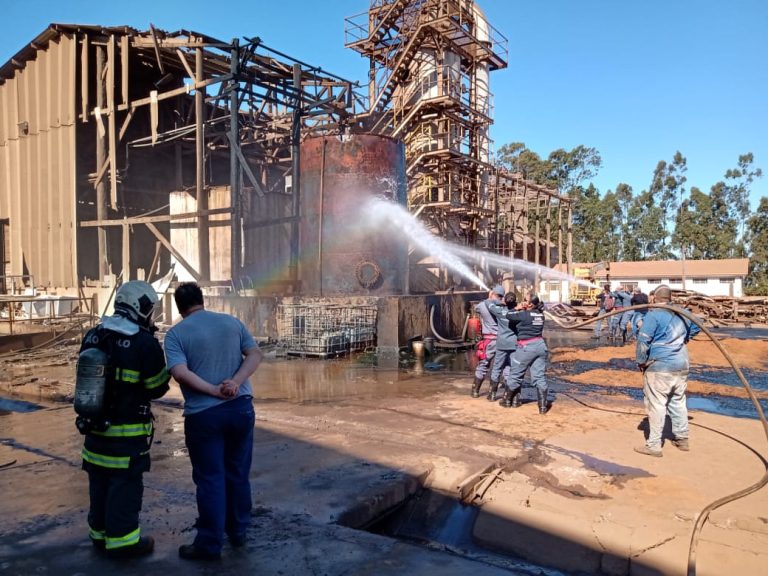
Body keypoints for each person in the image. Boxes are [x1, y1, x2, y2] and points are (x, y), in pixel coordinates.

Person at [164, 282, 263, 560]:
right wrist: (235, 383)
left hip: (204, 416)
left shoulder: (175, 334)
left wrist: (212, 391)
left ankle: (209, 544)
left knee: (210, 479)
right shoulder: (231, 322)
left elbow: (180, 373)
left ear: (179, 307)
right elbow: (255, 353)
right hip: (241, 409)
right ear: (202, 300)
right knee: (237, 472)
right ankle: (238, 531)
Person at [78, 280, 170, 558]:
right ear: (140, 307)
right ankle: (124, 542)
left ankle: (99, 534)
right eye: (149, 308)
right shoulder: (143, 343)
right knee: (124, 486)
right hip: (126, 438)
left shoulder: (94, 335)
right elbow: (157, 388)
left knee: (99, 483)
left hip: (94, 434)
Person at [634, 284, 701, 457]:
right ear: (669, 298)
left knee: (656, 404)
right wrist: (684, 338)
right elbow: (698, 325)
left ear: (655, 298)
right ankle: (682, 438)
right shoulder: (682, 313)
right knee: (677, 402)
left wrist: (641, 361)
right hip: (681, 365)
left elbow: (643, 340)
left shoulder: (654, 315)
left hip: (660, 366)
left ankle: (654, 445)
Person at [500, 293, 549, 414]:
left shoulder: (524, 314)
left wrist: (516, 308)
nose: (522, 301)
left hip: (526, 347)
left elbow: (508, 315)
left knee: (515, 373)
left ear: (530, 304)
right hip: (540, 346)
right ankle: (542, 407)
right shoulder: (540, 315)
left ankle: (507, 400)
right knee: (539, 376)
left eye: (525, 300)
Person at [470, 285, 505, 398]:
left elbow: (476, 308)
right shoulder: (504, 307)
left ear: (492, 293)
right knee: (500, 366)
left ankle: (475, 391)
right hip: (501, 340)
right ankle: (493, 394)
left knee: (483, 364)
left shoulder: (483, 305)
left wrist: (489, 298)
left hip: (488, 341)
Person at [486, 291, 518, 401]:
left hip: (501, 344)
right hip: (514, 344)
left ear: (505, 300)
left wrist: (496, 300)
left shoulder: (500, 312)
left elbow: (488, 304)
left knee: (497, 368)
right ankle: (511, 396)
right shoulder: (517, 313)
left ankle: (492, 394)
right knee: (514, 369)